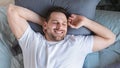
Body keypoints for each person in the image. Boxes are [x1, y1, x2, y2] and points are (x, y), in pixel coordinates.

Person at [7, 4, 116, 68]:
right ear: (45, 25)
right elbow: (12, 10)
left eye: (64, 24)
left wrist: (85, 22)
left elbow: (110, 38)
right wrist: (46, 25)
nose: (60, 27)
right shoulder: (31, 40)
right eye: (55, 22)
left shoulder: (77, 43)